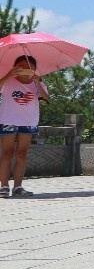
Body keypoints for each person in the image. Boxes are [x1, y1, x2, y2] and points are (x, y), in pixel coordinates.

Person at [0, 55, 49, 198]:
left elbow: (45, 98)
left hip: (28, 121)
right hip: (9, 120)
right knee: (6, 153)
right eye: (20, 66)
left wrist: (38, 82)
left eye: (29, 66)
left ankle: (18, 186)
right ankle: (3, 186)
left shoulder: (37, 83)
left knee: (21, 154)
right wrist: (9, 75)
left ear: (35, 69)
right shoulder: (8, 81)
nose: (25, 69)